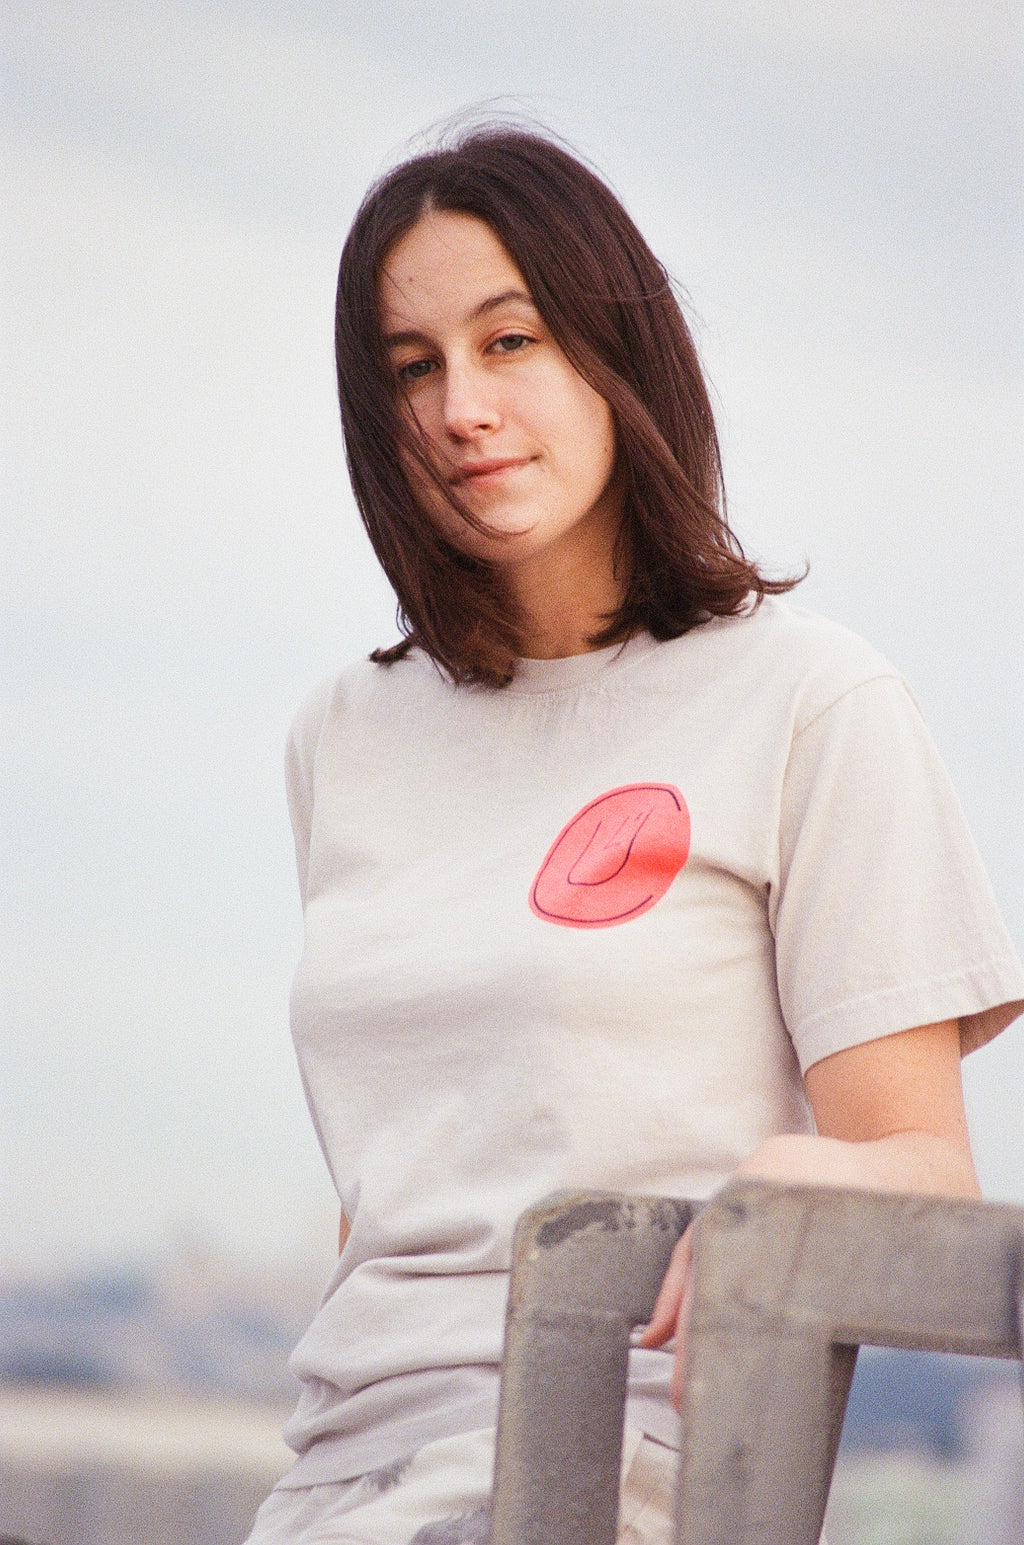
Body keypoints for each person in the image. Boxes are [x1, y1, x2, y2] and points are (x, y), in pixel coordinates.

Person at [244, 126, 1024, 1545]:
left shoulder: (807, 698)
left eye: (511, 339)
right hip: (334, 1485)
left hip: (617, 1463)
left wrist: (803, 1172)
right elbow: (392, 1195)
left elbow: (929, 1178)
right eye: (412, 366)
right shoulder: (341, 736)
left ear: (614, 350)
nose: (460, 406)